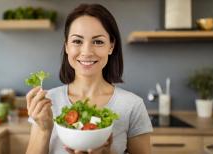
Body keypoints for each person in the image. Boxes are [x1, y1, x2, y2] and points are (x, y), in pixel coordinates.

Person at [26, 3, 153, 154]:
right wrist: (43, 129)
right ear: (67, 46)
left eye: (98, 41)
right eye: (77, 41)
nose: (86, 52)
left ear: (111, 46)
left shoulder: (132, 106)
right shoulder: (46, 102)